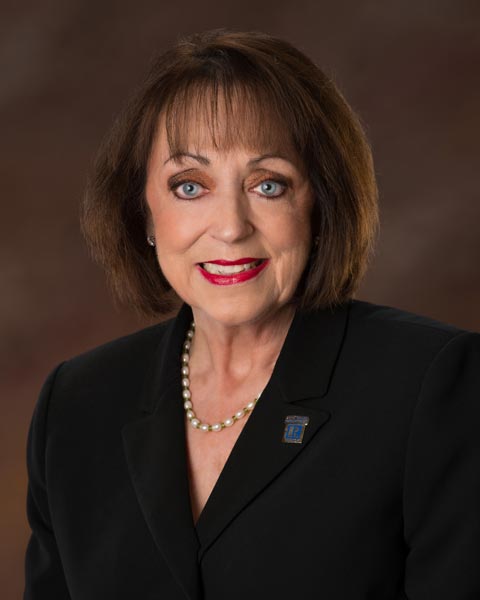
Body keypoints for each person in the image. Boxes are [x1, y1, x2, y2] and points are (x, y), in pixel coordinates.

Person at [24, 28, 480, 600]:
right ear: (143, 212)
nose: (231, 227)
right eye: (190, 186)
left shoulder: (431, 385)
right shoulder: (76, 405)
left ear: (320, 204)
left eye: (268, 185)